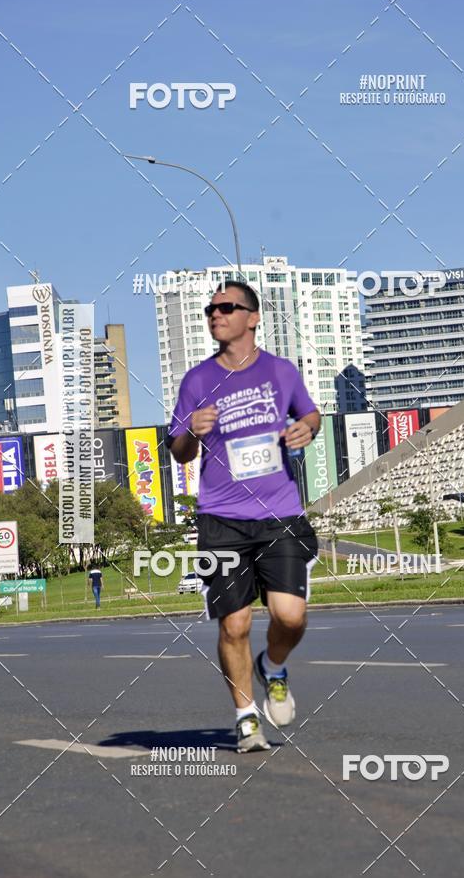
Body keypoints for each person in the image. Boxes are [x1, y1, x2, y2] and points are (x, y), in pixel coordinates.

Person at [166, 281, 320, 753]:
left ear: (253, 317)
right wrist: (191, 431)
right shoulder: (196, 380)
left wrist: (304, 430)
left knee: (290, 618)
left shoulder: (280, 371)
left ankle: (273, 666)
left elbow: (311, 416)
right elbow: (178, 452)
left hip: (280, 513)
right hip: (221, 519)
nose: (216, 314)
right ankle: (246, 717)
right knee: (233, 624)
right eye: (211, 309)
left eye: (227, 307)